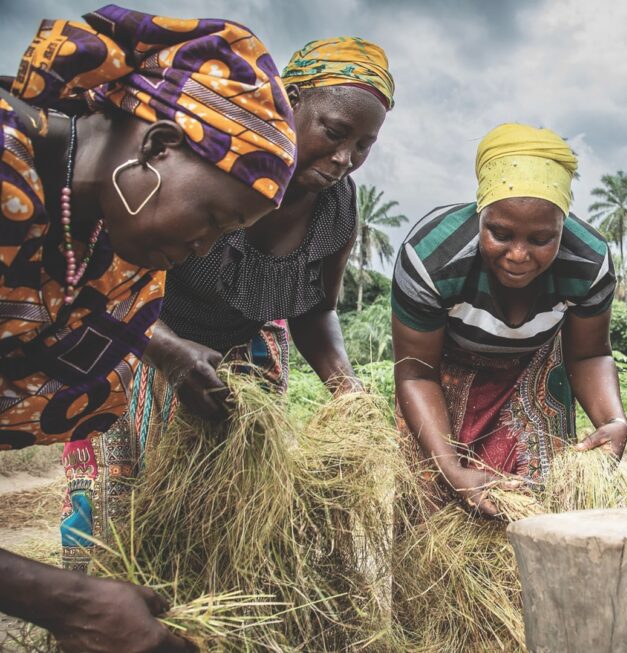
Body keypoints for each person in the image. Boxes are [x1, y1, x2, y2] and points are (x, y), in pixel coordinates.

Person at [0, 5, 296, 651]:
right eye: (214, 216)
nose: (203, 247)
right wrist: (68, 600)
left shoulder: (112, 253)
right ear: (159, 145)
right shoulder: (7, 170)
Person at [58, 37, 395, 570]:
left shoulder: (337, 208)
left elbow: (316, 308)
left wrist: (346, 388)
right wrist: (167, 351)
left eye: (363, 147)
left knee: (230, 519)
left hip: (243, 359)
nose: (343, 159)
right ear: (292, 99)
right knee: (117, 516)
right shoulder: (219, 156)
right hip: (141, 338)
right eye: (334, 132)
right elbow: (109, 278)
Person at [391, 123, 627, 517]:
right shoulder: (432, 257)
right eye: (500, 233)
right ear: (480, 214)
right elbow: (416, 374)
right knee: (432, 514)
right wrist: (450, 468)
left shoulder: (587, 262)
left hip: (531, 373)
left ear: (561, 228)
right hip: (441, 378)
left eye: (541, 240)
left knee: (537, 510)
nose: (518, 255)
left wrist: (613, 419)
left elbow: (588, 356)